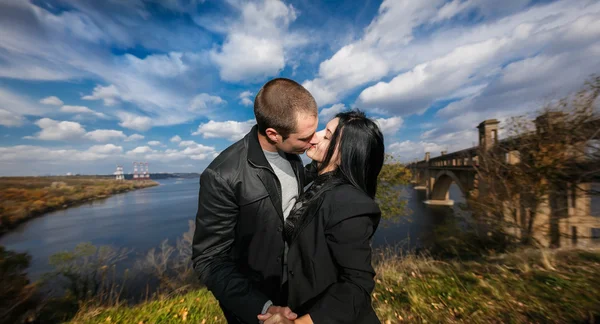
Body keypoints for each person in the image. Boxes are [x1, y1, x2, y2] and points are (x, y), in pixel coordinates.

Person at [192, 78, 320, 323]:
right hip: (255, 302)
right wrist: (262, 306)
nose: (313, 141)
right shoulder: (222, 175)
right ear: (273, 134)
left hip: (296, 291)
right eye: (305, 138)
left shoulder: (293, 155)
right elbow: (209, 260)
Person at [258, 110, 385, 324]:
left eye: (326, 136)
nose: (313, 136)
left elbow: (357, 285)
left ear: (346, 152)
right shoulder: (320, 184)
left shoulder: (349, 203)